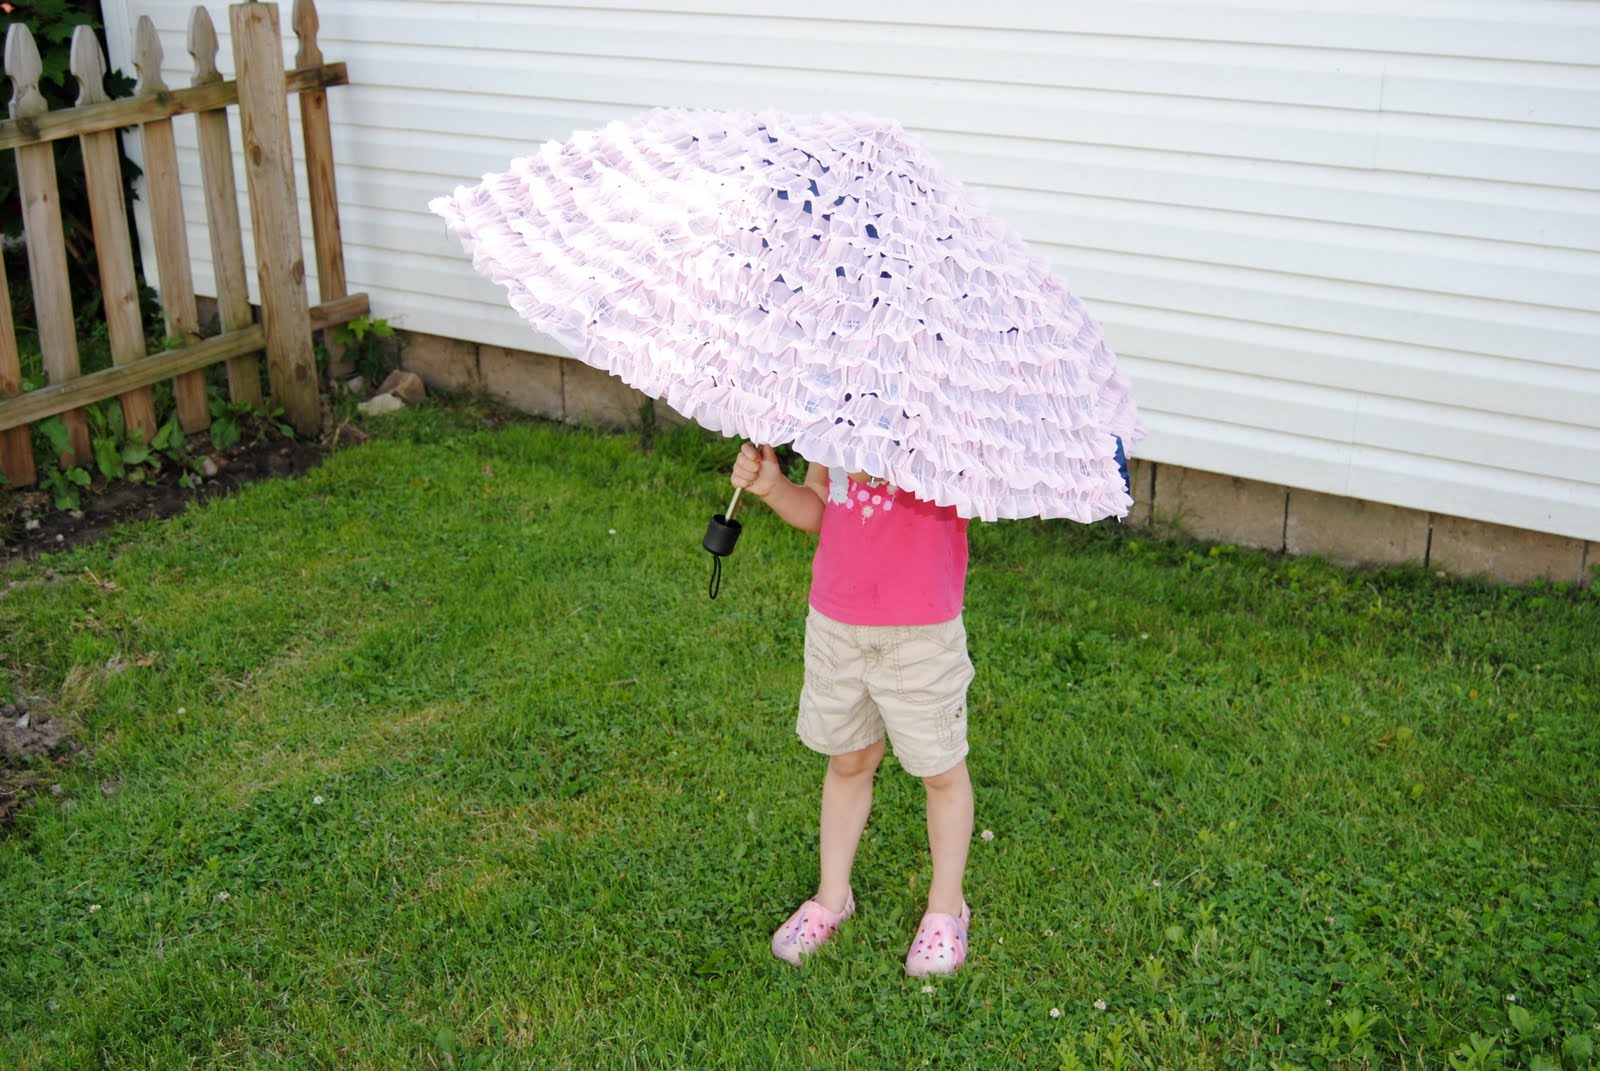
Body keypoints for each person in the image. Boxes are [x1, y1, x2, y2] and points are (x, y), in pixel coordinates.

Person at [730, 442, 976, 976]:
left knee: (940, 771)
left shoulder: (944, 412)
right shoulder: (838, 411)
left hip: (920, 633)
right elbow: (820, 506)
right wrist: (773, 487)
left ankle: (946, 909)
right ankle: (832, 895)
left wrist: (894, 460)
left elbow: (975, 490)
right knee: (847, 759)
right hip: (837, 625)